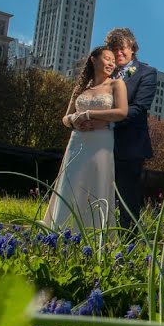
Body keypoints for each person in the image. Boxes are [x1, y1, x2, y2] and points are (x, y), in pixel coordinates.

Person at [79, 28, 157, 230]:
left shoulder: (146, 73)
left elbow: (139, 108)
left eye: (122, 48)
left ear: (132, 48)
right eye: (114, 49)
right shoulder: (104, 72)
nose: (118, 53)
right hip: (96, 142)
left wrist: (107, 122)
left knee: (127, 198)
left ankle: (128, 242)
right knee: (92, 192)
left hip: (129, 146)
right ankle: (91, 232)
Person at [44, 46, 128, 230]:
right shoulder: (81, 87)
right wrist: (75, 119)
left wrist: (89, 114)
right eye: (107, 58)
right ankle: (61, 230)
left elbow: (122, 112)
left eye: (113, 61)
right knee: (70, 184)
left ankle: (93, 233)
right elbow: (65, 118)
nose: (111, 63)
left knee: (96, 185)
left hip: (101, 141)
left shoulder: (116, 84)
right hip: (77, 141)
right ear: (94, 59)